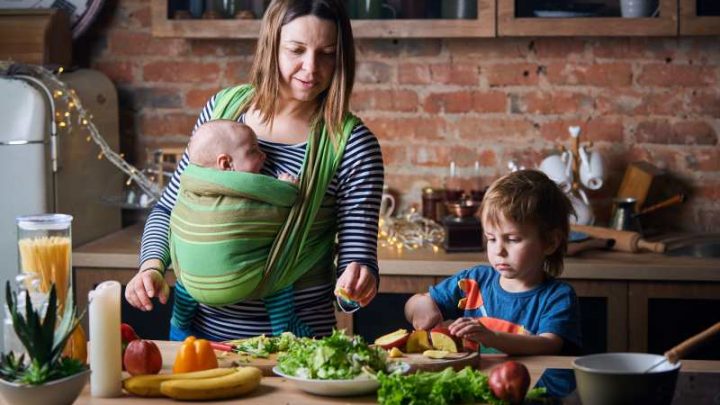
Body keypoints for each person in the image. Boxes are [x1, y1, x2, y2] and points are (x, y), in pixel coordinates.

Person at [125, 0, 383, 341]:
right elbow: (170, 209)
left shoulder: (351, 145)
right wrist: (151, 266)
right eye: (296, 50)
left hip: (296, 349)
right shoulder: (223, 111)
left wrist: (359, 284)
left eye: (327, 53)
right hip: (204, 344)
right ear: (271, 47)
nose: (311, 67)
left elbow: (357, 260)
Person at [405, 170, 581, 355]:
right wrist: (421, 306)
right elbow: (412, 306)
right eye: (491, 238)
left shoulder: (558, 296)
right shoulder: (473, 282)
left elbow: (548, 344)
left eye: (512, 239)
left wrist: (492, 338)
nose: (499, 250)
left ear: (550, 242)